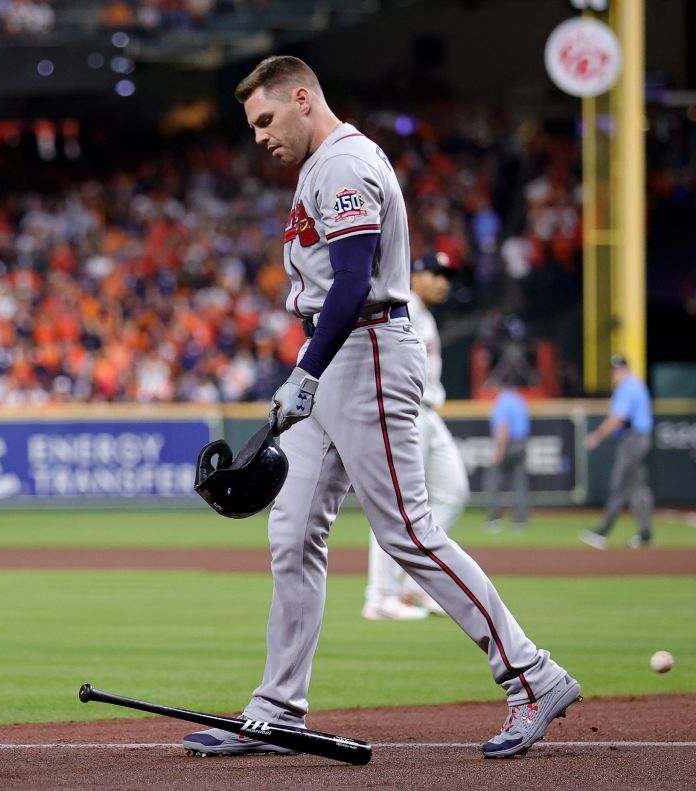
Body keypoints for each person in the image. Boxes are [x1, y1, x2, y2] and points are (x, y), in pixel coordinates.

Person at [182, 55, 580, 760]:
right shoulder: (316, 169)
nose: (260, 137)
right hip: (335, 356)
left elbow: (352, 281)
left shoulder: (342, 164)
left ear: (303, 99)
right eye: (252, 126)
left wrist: (305, 370)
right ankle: (277, 709)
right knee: (293, 528)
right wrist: (310, 371)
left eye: (266, 119)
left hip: (364, 351)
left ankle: (532, 673)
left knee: (408, 531)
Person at [363, 251, 470, 620]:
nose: (443, 282)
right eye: (434, 273)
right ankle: (379, 596)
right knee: (396, 508)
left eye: (447, 275)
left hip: (430, 413)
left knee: (453, 493)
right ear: (414, 275)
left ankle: (413, 586)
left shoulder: (424, 314)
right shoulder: (399, 306)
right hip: (404, 412)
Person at [580, 355, 654, 549]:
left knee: (619, 485)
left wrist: (597, 436)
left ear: (625, 369)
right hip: (640, 439)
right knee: (638, 487)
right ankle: (646, 533)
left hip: (633, 440)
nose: (614, 373)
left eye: (617, 369)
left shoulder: (628, 388)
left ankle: (602, 532)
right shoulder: (636, 385)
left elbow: (618, 418)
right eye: (613, 370)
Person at [485, 381, 530, 532]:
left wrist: (499, 451)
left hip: (508, 443)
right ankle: (520, 521)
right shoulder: (520, 400)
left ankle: (494, 519)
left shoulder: (502, 401)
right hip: (521, 443)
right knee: (519, 483)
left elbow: (502, 427)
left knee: (493, 481)